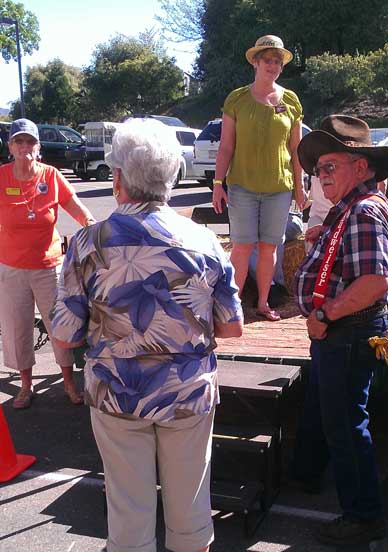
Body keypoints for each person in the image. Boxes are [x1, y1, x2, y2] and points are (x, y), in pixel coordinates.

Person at [50, 118, 243, 552]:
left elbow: (63, 335)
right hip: (187, 394)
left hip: (117, 393)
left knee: (128, 511)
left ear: (117, 177)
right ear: (172, 176)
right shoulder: (205, 241)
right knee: (191, 511)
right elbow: (232, 327)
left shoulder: (86, 243)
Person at [294, 114, 388, 546]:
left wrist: (325, 315)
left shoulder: (364, 212)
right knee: (334, 414)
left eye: (329, 166)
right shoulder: (352, 210)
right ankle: (308, 473)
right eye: (318, 170)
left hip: (348, 330)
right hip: (346, 331)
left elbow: (374, 283)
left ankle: (363, 517)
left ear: (361, 166)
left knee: (346, 425)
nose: (321, 176)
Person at [0, 118, 95, 409]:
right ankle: (26, 387)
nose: (24, 147)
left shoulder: (51, 176)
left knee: (59, 327)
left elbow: (75, 205)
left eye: (30, 141)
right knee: (17, 327)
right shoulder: (2, 177)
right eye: (19, 141)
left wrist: (94, 227)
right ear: (10, 146)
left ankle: (68, 382)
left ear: (38, 147)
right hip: (12, 267)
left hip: (49, 267)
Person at [212, 34, 307, 321]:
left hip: (279, 187)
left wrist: (300, 187)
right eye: (268, 59)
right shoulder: (237, 99)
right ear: (255, 62)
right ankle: (234, 306)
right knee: (241, 247)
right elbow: (226, 146)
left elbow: (296, 150)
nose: (273, 65)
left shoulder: (290, 100)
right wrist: (218, 184)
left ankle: (264, 303)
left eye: (278, 61)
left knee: (269, 248)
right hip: (242, 186)